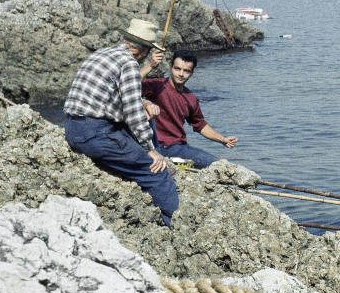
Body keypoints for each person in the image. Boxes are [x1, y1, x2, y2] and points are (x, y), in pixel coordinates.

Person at [63, 18, 179, 226]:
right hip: (96, 134)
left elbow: (110, 96)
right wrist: (150, 150)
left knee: (138, 126)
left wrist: (142, 102)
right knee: (157, 172)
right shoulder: (129, 65)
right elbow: (133, 113)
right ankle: (176, 224)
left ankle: (140, 163)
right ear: (142, 51)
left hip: (72, 128)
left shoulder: (102, 54)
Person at [141, 50, 238, 168]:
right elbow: (130, 84)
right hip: (158, 147)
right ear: (170, 68)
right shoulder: (157, 86)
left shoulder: (190, 97)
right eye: (177, 69)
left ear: (191, 73)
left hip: (180, 148)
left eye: (186, 71)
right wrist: (150, 65)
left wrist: (223, 140)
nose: (181, 74)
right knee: (217, 167)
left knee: (218, 165)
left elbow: (200, 125)